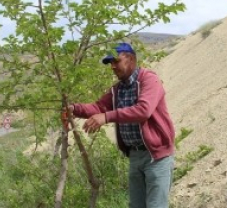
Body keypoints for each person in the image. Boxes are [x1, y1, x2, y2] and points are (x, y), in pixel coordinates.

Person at [67, 42, 175, 208]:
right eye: (110, 63)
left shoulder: (149, 80)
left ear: (130, 59)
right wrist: (74, 109)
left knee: (156, 205)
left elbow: (143, 110)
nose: (112, 66)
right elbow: (98, 107)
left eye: (116, 61)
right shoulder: (117, 89)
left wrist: (106, 117)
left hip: (156, 156)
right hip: (134, 155)